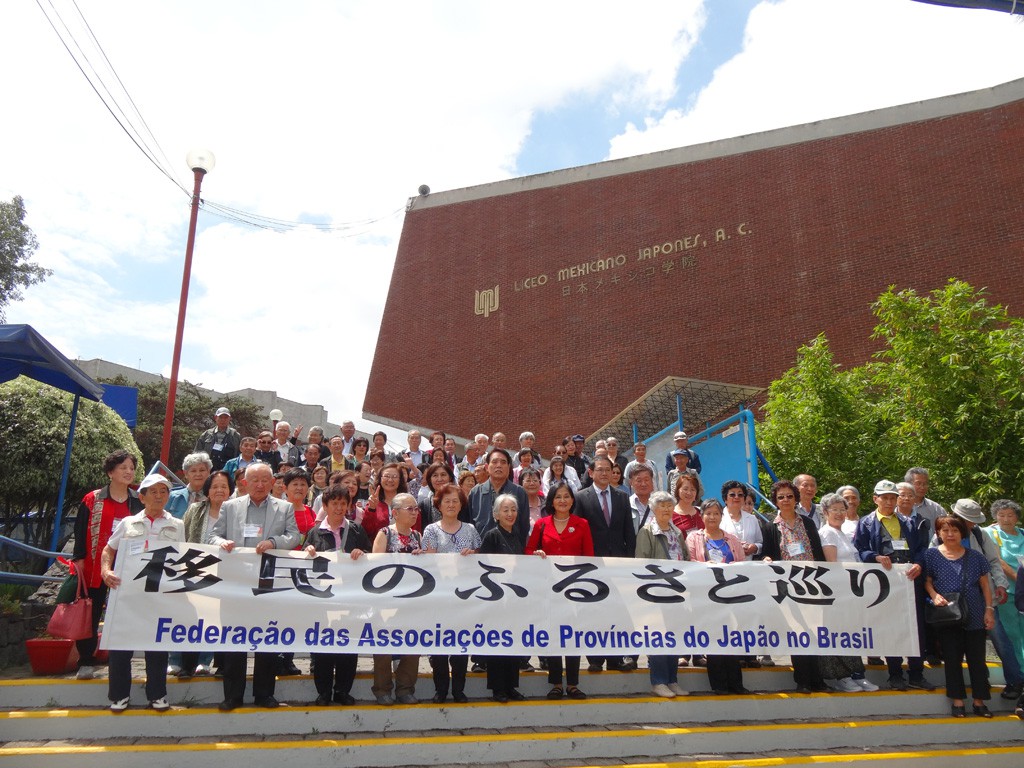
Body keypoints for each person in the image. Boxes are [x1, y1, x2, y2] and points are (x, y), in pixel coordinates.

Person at [208, 462, 300, 710]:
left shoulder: (285, 507)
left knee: (266, 639)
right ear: (244, 483)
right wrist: (223, 542)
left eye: (264, 480)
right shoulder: (229, 506)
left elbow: (294, 536)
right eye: (254, 480)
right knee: (233, 640)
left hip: (269, 582)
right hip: (235, 582)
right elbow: (212, 536)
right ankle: (233, 696)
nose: (259, 484)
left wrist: (274, 541)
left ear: (273, 483)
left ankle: (264, 694)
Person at [99, 473, 185, 712]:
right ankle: (118, 695)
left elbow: (181, 559)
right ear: (142, 496)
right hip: (126, 594)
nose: (159, 496)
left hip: (158, 595)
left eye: (164, 491)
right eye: (153, 492)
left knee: (156, 644)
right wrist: (106, 572)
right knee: (121, 645)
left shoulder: (177, 525)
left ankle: (157, 694)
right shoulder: (128, 523)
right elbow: (108, 550)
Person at [853, 480, 933, 692]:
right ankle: (895, 673)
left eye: (892, 497)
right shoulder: (866, 523)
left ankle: (916, 673)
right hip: (884, 584)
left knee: (916, 628)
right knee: (891, 627)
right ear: (875, 499)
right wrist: (875, 557)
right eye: (884, 497)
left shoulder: (908, 522)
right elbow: (860, 550)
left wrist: (918, 563)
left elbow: (922, 548)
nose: (889, 501)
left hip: (909, 581)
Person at [72, 449, 143, 680]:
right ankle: (86, 660)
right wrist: (80, 560)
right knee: (90, 614)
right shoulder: (92, 499)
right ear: (110, 472)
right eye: (123, 468)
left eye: (131, 468)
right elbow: (80, 531)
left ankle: (119, 660)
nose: (128, 472)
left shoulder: (138, 500)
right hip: (95, 568)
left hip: (128, 570)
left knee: (123, 614)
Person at [302, 484, 369, 706]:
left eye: (343, 503)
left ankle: (342, 690)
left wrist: (363, 553)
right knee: (322, 646)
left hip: (350, 598)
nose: (339, 508)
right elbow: (302, 560)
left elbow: (372, 557)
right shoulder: (314, 531)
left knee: (348, 645)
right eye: (334, 504)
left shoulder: (357, 530)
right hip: (322, 598)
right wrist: (307, 552)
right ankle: (323, 691)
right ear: (325, 506)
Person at [925, 513, 996, 717]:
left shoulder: (976, 556)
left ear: (962, 533)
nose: (950, 534)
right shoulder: (931, 555)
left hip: (974, 612)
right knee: (952, 658)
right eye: (945, 530)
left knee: (977, 660)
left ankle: (979, 701)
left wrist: (989, 610)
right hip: (947, 614)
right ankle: (957, 701)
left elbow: (985, 586)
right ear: (938, 533)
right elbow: (927, 581)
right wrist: (934, 595)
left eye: (954, 530)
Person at [526, 483, 593, 700]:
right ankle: (556, 683)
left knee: (572, 635)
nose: (562, 500)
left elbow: (589, 557)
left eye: (566, 497)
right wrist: (536, 553)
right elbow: (528, 551)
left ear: (573, 500)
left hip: (574, 589)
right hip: (549, 589)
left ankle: (573, 683)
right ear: (551, 501)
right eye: (558, 497)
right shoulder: (542, 525)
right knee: (554, 634)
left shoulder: (582, 524)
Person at [762, 479, 828, 694]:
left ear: (796, 498)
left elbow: (818, 553)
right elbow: (767, 553)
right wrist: (767, 559)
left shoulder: (807, 523)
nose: (786, 500)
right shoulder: (770, 527)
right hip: (787, 587)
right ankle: (802, 679)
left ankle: (817, 678)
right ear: (775, 501)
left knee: (815, 630)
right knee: (797, 632)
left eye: (789, 496)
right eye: (781, 497)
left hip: (811, 584)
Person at [574, 455, 636, 671]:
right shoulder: (581, 497)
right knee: (595, 610)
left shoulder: (621, 497)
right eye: (599, 469)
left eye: (607, 470)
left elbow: (629, 530)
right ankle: (595, 659)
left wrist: (629, 560)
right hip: (592, 563)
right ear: (591, 472)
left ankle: (616, 658)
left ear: (612, 472)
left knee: (617, 611)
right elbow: (578, 532)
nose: (603, 473)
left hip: (618, 562)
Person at [422, 485, 481, 703]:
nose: (451, 504)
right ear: (438, 504)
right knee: (438, 646)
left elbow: (481, 560)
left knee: (460, 644)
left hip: (464, 598)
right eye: (446, 501)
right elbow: (429, 563)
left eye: (455, 501)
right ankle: (441, 689)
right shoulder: (430, 530)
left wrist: (473, 554)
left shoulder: (471, 529)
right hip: (438, 597)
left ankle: (458, 689)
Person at [687, 498, 748, 695]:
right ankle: (719, 684)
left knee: (732, 638)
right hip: (706, 596)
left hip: (730, 595)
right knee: (714, 639)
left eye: (716, 513)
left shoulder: (732, 539)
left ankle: (736, 683)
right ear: (701, 515)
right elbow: (690, 562)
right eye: (708, 513)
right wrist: (706, 566)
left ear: (721, 516)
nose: (712, 517)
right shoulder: (693, 538)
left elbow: (742, 564)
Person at [816, 492, 877, 692]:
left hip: (852, 591)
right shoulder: (827, 533)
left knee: (851, 633)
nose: (840, 513)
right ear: (825, 512)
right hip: (838, 592)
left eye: (843, 510)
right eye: (835, 510)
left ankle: (857, 674)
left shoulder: (843, 533)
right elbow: (832, 564)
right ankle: (842, 676)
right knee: (839, 633)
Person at [179, 469, 234, 679]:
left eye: (224, 486)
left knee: (222, 618)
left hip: (227, 572)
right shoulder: (195, 509)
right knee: (194, 617)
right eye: (215, 486)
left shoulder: (236, 510)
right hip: (196, 568)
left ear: (230, 490)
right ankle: (188, 665)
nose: (219, 490)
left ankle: (220, 664)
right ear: (208, 490)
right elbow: (184, 535)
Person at [634, 491, 688, 698]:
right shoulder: (647, 531)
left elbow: (685, 557)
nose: (666, 509)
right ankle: (658, 681)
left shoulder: (677, 532)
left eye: (669, 505)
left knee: (674, 636)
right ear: (654, 509)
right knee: (658, 636)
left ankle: (672, 680)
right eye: (661, 505)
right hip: (655, 592)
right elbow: (642, 562)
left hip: (677, 591)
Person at [370, 493, 423, 705]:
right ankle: (382, 689)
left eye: (416, 509)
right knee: (383, 645)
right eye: (409, 509)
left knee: (412, 645)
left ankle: (405, 689)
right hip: (386, 600)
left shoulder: (418, 536)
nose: (414, 513)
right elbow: (375, 566)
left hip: (412, 601)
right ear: (395, 513)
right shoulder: (384, 534)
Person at [478, 493, 527, 702]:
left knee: (513, 642)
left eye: (513, 510)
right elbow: (485, 566)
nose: (510, 514)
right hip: (496, 597)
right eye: (505, 510)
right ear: (496, 514)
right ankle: (498, 688)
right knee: (497, 643)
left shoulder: (517, 534)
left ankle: (511, 686)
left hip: (514, 598)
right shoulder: (491, 535)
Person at [985, 499, 1024, 701]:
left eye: (1010, 515)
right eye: (1001, 515)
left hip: (1023, 593)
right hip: (1006, 593)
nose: (1005, 519)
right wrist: (1019, 578)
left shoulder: (1023, 534)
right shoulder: (991, 534)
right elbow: (998, 560)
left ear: (1017, 517)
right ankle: (1018, 678)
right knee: (1011, 636)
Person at [468, 448, 530, 542]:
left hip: (511, 552)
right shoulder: (475, 493)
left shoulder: (519, 492)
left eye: (503, 462)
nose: (499, 465)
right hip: (481, 553)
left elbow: (524, 527)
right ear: (487, 467)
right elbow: (469, 525)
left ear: (509, 467)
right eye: (494, 462)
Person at [363, 462, 408, 541]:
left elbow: (415, 530)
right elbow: (366, 531)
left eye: (394, 477)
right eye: (386, 476)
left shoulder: (408, 503)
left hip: (405, 551)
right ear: (380, 479)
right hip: (378, 550)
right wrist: (371, 509)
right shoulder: (373, 503)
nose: (390, 480)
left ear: (400, 480)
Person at [720, 480, 762, 558]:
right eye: (732, 494)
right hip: (726, 566)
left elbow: (760, 543)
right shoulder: (719, 518)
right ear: (725, 499)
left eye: (740, 495)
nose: (736, 497)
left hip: (748, 566)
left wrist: (755, 547)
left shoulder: (752, 519)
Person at [166, 452, 212, 520]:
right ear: (186, 474)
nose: (198, 474)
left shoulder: (214, 497)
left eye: (202, 470)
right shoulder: (172, 497)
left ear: (208, 472)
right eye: (193, 471)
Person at [671, 471, 704, 535]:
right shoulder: (670, 515)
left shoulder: (701, 512)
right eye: (685, 489)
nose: (689, 493)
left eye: (693, 490)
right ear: (678, 490)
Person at [628, 465, 656, 534]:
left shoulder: (660, 503)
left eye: (646, 480)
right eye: (639, 481)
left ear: (652, 481)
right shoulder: (626, 505)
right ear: (631, 482)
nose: (643, 484)